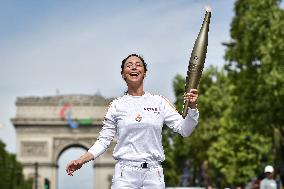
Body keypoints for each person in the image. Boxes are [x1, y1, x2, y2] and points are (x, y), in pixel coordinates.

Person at [66, 54, 199, 189]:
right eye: (129, 65)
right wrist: (80, 160)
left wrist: (192, 108)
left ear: (145, 73)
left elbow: (185, 130)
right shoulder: (116, 105)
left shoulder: (159, 102)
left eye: (138, 64)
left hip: (154, 174)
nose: (134, 67)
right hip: (125, 175)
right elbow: (103, 141)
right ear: (123, 74)